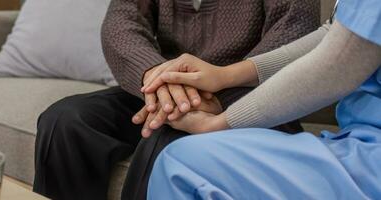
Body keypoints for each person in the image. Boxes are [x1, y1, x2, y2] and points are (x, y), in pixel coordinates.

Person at [32, 0, 320, 199]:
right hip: (164, 89)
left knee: (168, 136)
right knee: (66, 121)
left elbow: (294, 36)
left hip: (253, 100)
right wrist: (153, 78)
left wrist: (222, 96)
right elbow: (121, 25)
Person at [145, 0, 381, 199]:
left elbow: (338, 64)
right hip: (359, 139)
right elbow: (336, 35)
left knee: (181, 163)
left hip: (372, 159)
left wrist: (219, 123)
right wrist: (224, 75)